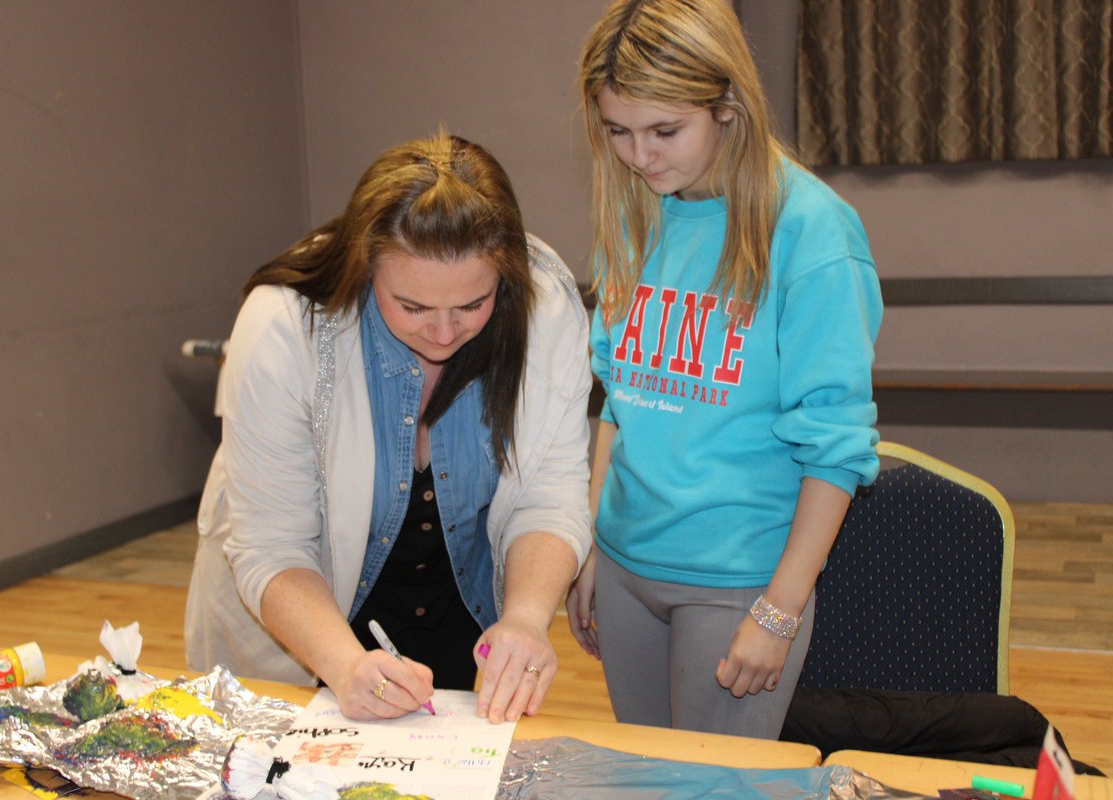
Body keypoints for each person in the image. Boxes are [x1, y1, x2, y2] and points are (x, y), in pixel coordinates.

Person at [185, 130, 593, 724]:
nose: (445, 333)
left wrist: (527, 618)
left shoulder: (546, 302)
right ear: (366, 267)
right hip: (305, 617)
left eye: (472, 305)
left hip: (458, 604)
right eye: (413, 308)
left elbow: (548, 497)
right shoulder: (285, 323)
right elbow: (274, 546)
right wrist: (344, 664)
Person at [566, 0, 883, 739]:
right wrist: (587, 544)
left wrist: (779, 610)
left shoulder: (810, 230)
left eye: (664, 131)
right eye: (618, 131)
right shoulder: (636, 206)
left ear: (728, 106)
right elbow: (618, 399)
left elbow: (836, 448)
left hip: (735, 584)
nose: (639, 157)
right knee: (645, 785)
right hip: (621, 566)